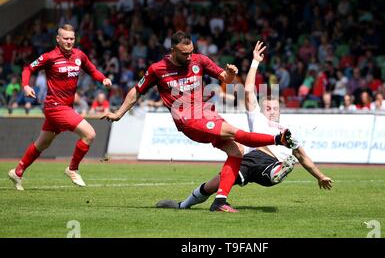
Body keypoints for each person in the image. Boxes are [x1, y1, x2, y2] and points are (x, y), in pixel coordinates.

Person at [102, 32, 295, 212]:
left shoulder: (199, 60)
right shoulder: (157, 69)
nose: (189, 57)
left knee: (237, 151)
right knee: (234, 132)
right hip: (188, 119)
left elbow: (225, 79)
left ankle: (220, 202)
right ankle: (277, 139)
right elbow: (136, 91)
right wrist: (119, 113)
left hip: (206, 113)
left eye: (191, 52)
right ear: (173, 51)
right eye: (184, 54)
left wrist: (230, 73)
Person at [156, 41, 333, 210]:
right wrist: (255, 61)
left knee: (276, 161)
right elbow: (248, 90)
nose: (271, 110)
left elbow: (303, 158)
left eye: (275, 108)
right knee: (214, 185)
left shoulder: (287, 132)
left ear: (280, 110)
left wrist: (320, 176)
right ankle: (183, 205)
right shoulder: (258, 118)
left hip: (267, 163)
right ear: (262, 108)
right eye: (268, 107)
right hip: (249, 160)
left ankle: (277, 170)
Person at [8, 24, 112, 191]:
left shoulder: (79, 55)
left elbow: (92, 70)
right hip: (55, 107)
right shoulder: (49, 57)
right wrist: (26, 86)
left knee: (42, 144)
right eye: (65, 38)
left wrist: (103, 79)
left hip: (65, 107)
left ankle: (17, 172)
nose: (69, 41)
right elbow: (28, 68)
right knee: (89, 134)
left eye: (71, 38)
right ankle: (72, 169)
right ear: (58, 39)